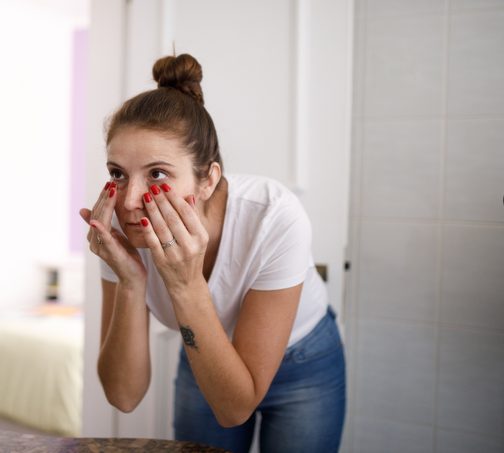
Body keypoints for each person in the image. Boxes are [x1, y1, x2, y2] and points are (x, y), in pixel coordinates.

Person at [80, 53, 346, 453]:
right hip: (203, 348)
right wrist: (131, 282)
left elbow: (236, 407)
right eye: (118, 173)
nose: (130, 200)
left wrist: (185, 284)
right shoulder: (120, 228)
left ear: (207, 181)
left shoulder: (273, 217)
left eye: (157, 174)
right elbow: (123, 395)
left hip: (303, 360)